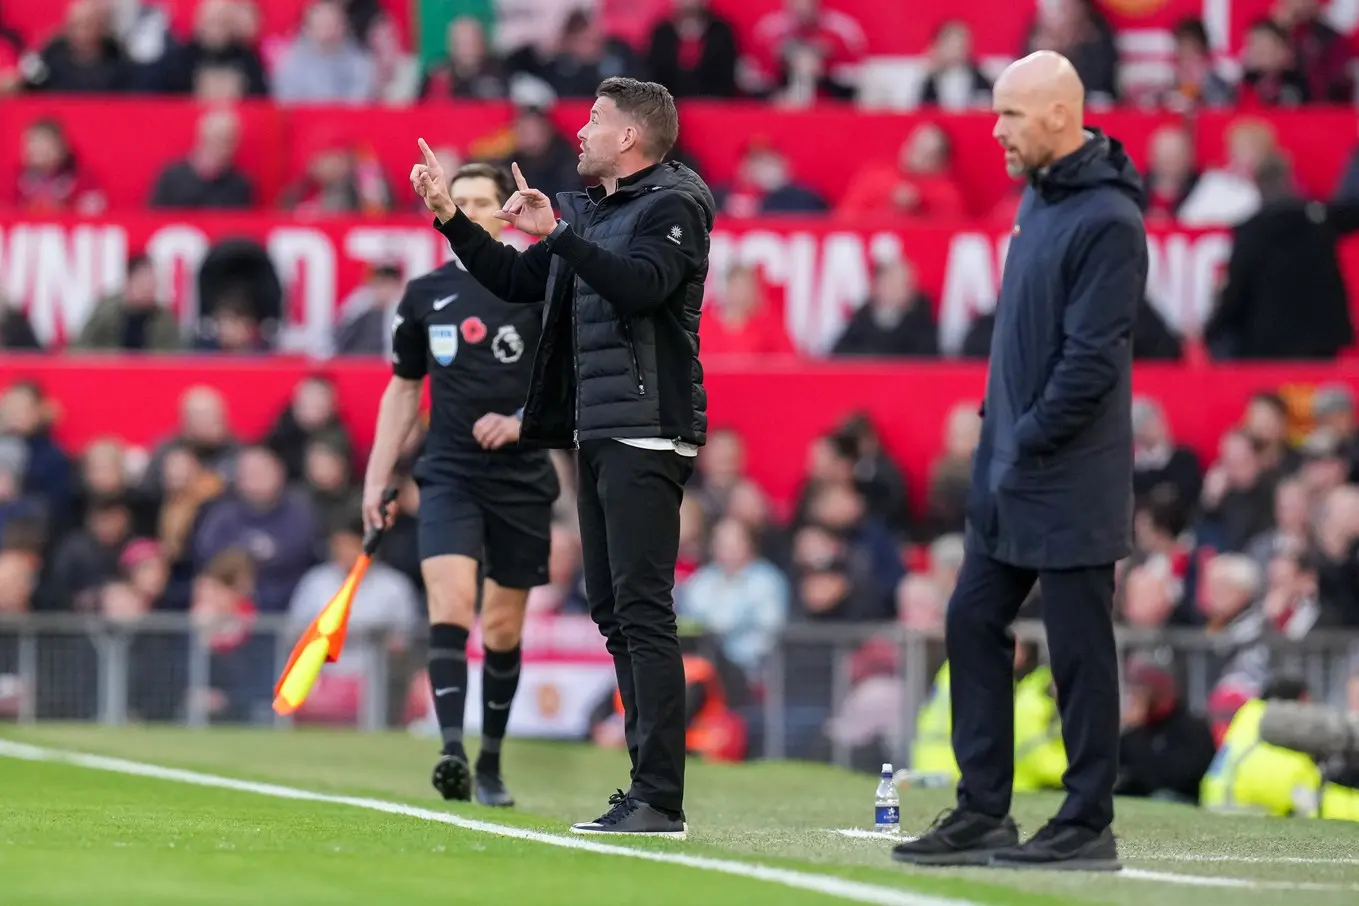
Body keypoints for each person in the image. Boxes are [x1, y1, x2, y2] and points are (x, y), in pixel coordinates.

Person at [410, 76, 714, 838]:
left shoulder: (674, 205)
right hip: (597, 430)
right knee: (613, 610)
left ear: (629, 138)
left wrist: (558, 235)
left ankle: (660, 798)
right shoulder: (595, 212)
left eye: (593, 120)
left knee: (642, 611)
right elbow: (518, 281)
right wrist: (453, 220)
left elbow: (641, 288)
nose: (578, 131)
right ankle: (644, 787)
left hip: (646, 426)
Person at [892, 51, 1147, 872]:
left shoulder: (1108, 219)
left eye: (1007, 114)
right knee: (970, 620)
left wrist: (1024, 437)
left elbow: (1090, 363)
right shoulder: (1038, 201)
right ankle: (982, 812)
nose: (993, 130)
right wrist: (994, 434)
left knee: (1078, 648)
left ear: (1058, 115)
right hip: (1013, 464)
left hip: (1070, 473)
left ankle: (1085, 822)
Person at [362, 162, 559, 808]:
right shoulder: (423, 295)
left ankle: (492, 762)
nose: (467, 209)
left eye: (480, 200)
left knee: (502, 626)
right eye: (460, 199)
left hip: (523, 476)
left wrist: (523, 421)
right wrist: (378, 473)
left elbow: (568, 379)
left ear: (504, 211)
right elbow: (402, 389)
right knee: (448, 603)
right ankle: (450, 750)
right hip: (448, 471)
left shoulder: (537, 285)